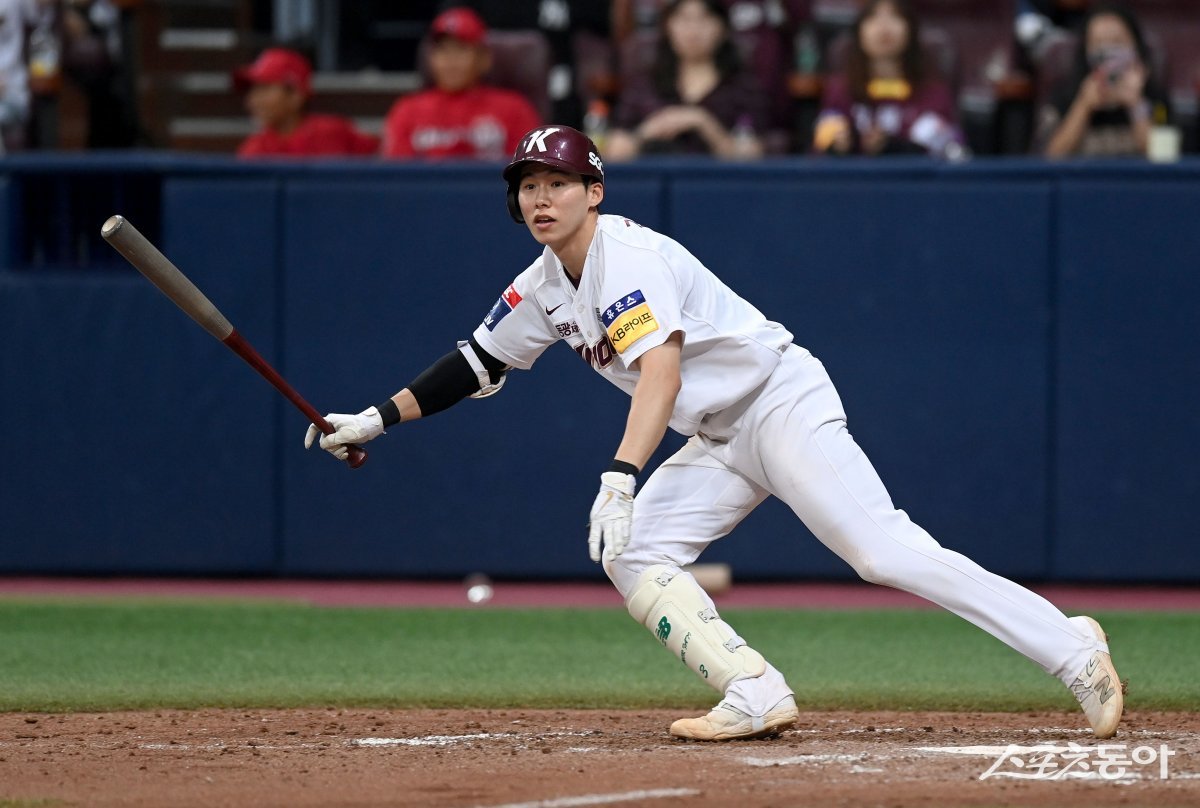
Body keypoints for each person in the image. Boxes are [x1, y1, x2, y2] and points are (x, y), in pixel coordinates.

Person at [304, 124, 1125, 742]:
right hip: (718, 438)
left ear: (595, 192)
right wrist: (375, 417)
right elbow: (476, 361)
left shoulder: (627, 259)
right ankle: (753, 690)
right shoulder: (543, 283)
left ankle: (1070, 648)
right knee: (632, 551)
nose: (540, 198)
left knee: (881, 552)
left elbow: (660, 374)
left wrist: (620, 475)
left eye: (558, 182)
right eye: (527, 185)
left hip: (776, 402)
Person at [604, 0, 767, 161]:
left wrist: (703, 123)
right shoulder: (644, 85)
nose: (693, 30)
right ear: (668, 27)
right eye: (684, 19)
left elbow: (752, 156)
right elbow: (614, 150)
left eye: (704, 19)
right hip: (652, 175)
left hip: (719, 177)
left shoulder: (743, 87)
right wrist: (648, 130)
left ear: (723, 29)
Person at [381, 6, 542, 160]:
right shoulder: (407, 111)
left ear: (484, 58)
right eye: (443, 50)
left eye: (461, 49)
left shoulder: (515, 110)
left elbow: (531, 171)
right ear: (431, 58)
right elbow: (396, 174)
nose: (451, 60)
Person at [813, 0, 965, 159]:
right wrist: (837, 148)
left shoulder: (934, 94)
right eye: (873, 17)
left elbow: (955, 155)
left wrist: (897, 148)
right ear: (859, 32)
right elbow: (817, 153)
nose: (884, 27)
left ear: (911, 29)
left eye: (895, 16)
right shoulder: (840, 91)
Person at [1037, 3, 1168, 158]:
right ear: (1085, 50)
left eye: (1117, 42)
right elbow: (1051, 159)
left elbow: (1162, 159)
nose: (1108, 52)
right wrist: (1083, 106)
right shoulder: (1063, 95)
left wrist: (1136, 105)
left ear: (1136, 46)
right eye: (1098, 43)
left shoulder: (1156, 98)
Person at [234, 47, 380, 158]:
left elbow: (381, 161)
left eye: (264, 89)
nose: (252, 100)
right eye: (252, 91)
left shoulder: (333, 132)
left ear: (296, 95)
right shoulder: (254, 149)